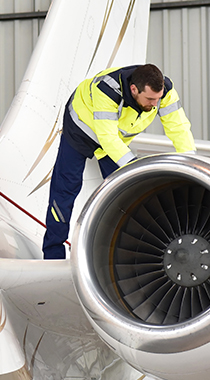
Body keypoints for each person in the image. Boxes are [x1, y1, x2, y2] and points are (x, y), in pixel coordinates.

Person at [42, 64, 196, 260]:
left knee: (129, 195)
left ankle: (122, 258)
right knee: (65, 191)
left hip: (116, 137)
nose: (155, 105)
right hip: (81, 129)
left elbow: (179, 128)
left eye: (158, 99)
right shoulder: (106, 90)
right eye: (150, 99)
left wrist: (191, 161)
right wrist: (135, 168)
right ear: (133, 90)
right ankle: (52, 256)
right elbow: (107, 138)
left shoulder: (163, 92)